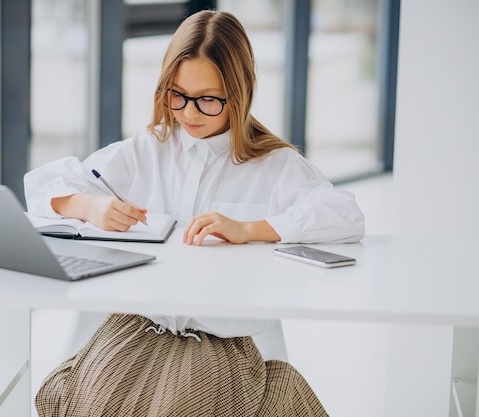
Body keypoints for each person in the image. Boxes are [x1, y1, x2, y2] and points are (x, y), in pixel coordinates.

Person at [25, 10, 364, 417]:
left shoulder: (275, 165)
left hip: (221, 345)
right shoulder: (148, 150)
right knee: (77, 398)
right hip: (138, 333)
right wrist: (90, 206)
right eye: (177, 94)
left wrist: (251, 229)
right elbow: (44, 185)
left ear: (239, 93)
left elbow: (345, 216)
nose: (188, 113)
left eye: (207, 99)